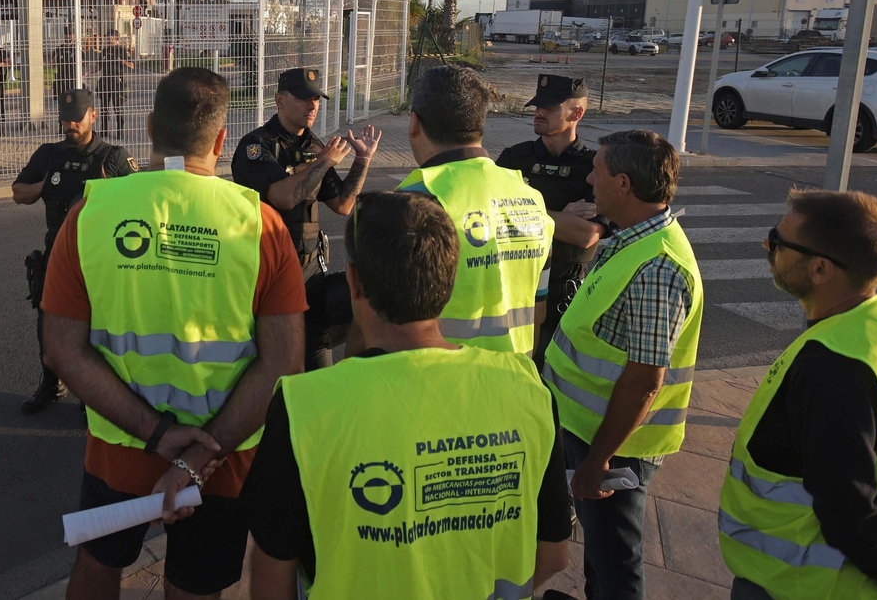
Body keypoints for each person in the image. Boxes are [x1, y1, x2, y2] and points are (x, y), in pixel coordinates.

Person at [41, 67, 307, 600]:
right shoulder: (262, 225)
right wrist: (197, 457)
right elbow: (284, 364)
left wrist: (158, 436)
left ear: (147, 127)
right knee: (196, 586)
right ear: (222, 139)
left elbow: (61, 351)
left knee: (98, 566)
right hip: (222, 457)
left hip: (122, 445)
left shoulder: (89, 214)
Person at [246, 191, 570, 598]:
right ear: (449, 282)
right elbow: (555, 553)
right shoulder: (528, 388)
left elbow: (272, 576)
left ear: (354, 283)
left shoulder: (304, 405)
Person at [719, 190, 877, 600]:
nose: (766, 246)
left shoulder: (834, 365)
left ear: (821, 269)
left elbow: (848, 508)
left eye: (778, 241)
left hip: (807, 585)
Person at [543, 129, 702, 600]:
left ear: (625, 184)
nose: (590, 178)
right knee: (601, 548)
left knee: (616, 561)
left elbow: (643, 381)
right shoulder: (632, 239)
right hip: (585, 427)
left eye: (599, 171)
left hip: (614, 445)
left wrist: (598, 461)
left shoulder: (658, 268)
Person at [392, 64, 553, 354]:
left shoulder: (416, 200)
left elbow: (389, 324)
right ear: (479, 123)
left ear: (414, 123)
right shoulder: (532, 198)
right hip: (515, 381)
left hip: (442, 385)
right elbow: (537, 312)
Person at [232, 67, 378, 369]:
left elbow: (343, 204)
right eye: (303, 98)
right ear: (280, 100)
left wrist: (362, 160)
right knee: (272, 365)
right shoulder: (257, 145)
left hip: (310, 271)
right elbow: (284, 197)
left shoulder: (313, 146)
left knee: (318, 361)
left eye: (316, 99)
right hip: (267, 272)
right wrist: (324, 162)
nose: (312, 106)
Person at [11, 87, 137, 414]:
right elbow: (19, 193)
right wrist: (46, 183)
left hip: (101, 257)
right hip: (58, 252)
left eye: (76, 120)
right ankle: (52, 385)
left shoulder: (113, 157)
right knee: (49, 321)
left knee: (97, 328)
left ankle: (92, 397)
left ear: (93, 116)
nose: (70, 126)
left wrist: (115, 192)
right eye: (65, 120)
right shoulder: (49, 154)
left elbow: (141, 203)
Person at [497, 74, 605, 364]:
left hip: (564, 297)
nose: (538, 112)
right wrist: (560, 217)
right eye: (537, 106)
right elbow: (492, 215)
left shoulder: (593, 167)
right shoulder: (514, 159)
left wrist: (523, 212)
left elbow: (585, 234)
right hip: (515, 288)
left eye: (549, 107)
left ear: (577, 113)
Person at [93, 31, 136, 137]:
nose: (108, 39)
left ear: (116, 38)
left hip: (117, 82)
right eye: (107, 37)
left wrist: (122, 61)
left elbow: (131, 66)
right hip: (105, 81)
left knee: (118, 107)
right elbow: (99, 66)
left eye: (110, 37)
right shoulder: (104, 51)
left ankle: (120, 131)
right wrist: (88, 72)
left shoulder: (121, 50)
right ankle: (104, 131)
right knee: (104, 108)